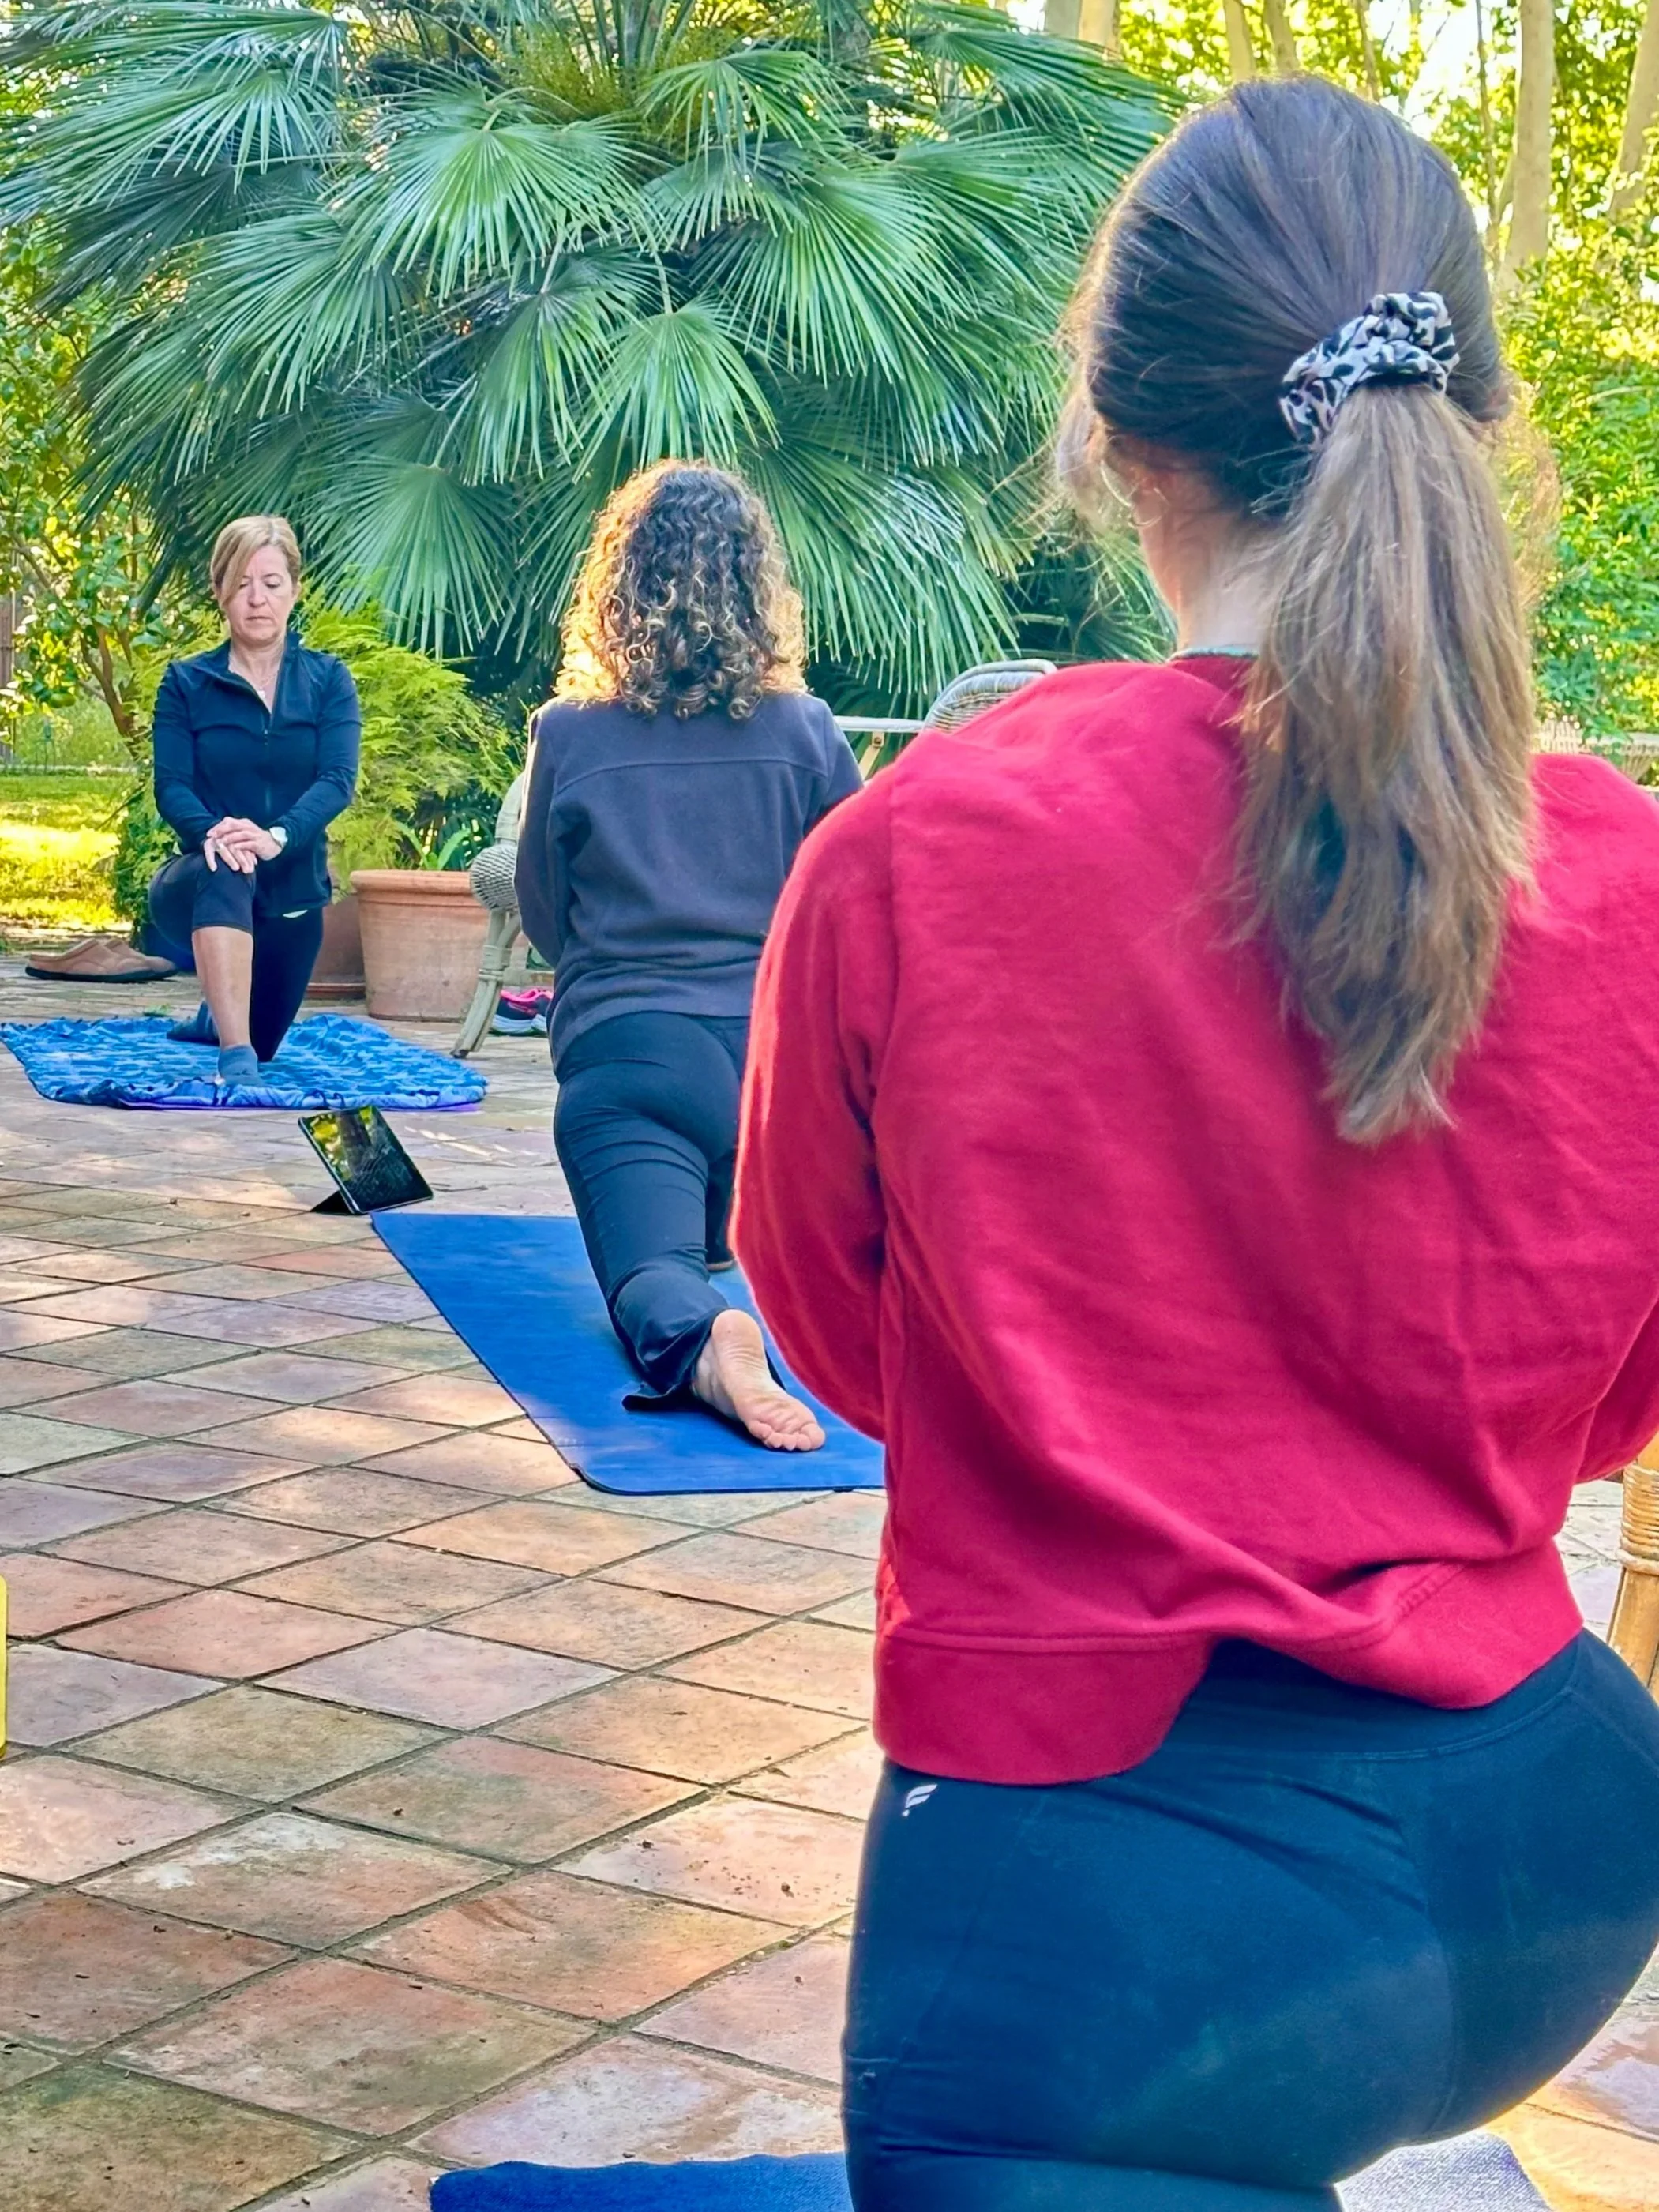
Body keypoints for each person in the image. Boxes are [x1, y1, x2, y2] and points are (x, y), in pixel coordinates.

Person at [735, 79, 1659, 2210]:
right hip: (1550, 1853)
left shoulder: (919, 859)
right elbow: (1613, 1400)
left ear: (1114, 439)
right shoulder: (1627, 875)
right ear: (1475, 414)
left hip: (1107, 1933)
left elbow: (851, 1345)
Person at [515, 462, 861, 1450]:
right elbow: (841, 902)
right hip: (775, 1076)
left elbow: (545, 912)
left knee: (650, 1274)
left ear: (618, 583)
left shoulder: (571, 733)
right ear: (757, 586)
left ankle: (710, 1341)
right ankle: (724, 1240)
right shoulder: (806, 730)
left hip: (633, 1057)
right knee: (719, 1221)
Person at [149, 516, 360, 1088]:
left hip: (292, 888)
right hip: (202, 876)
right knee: (225, 869)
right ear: (220, 592)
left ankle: (216, 1019)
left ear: (294, 589)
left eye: (270, 582)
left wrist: (278, 836)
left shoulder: (328, 680)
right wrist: (216, 832)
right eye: (241, 583)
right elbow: (171, 785)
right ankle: (231, 1053)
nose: (257, 598)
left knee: (268, 1036)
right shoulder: (185, 682)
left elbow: (338, 778)